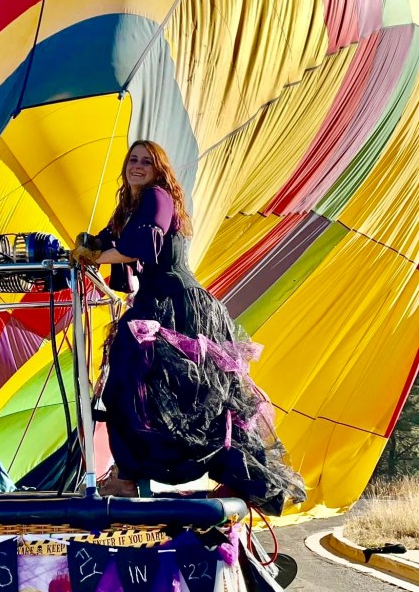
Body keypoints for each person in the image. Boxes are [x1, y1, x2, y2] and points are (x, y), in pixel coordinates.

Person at [73, 141, 306, 515]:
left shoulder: (157, 197)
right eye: (132, 160)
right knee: (145, 391)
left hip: (176, 305)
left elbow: (141, 245)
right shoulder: (129, 207)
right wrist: (86, 247)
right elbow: (109, 239)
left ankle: (132, 475)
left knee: (170, 393)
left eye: (146, 161)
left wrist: (96, 256)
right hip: (157, 302)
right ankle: (129, 473)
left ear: (158, 169)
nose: (137, 166)